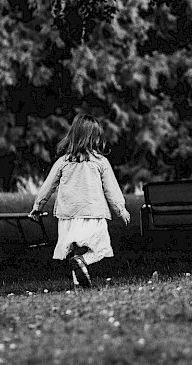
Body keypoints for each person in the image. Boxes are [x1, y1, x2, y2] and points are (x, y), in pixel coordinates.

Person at [30, 113, 131, 288]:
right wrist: (121, 210)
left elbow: (48, 186)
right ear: (95, 138)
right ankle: (83, 261)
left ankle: (79, 282)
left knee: (74, 251)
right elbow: (112, 190)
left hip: (68, 215)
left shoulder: (63, 161)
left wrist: (37, 207)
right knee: (100, 249)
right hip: (93, 212)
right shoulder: (101, 162)